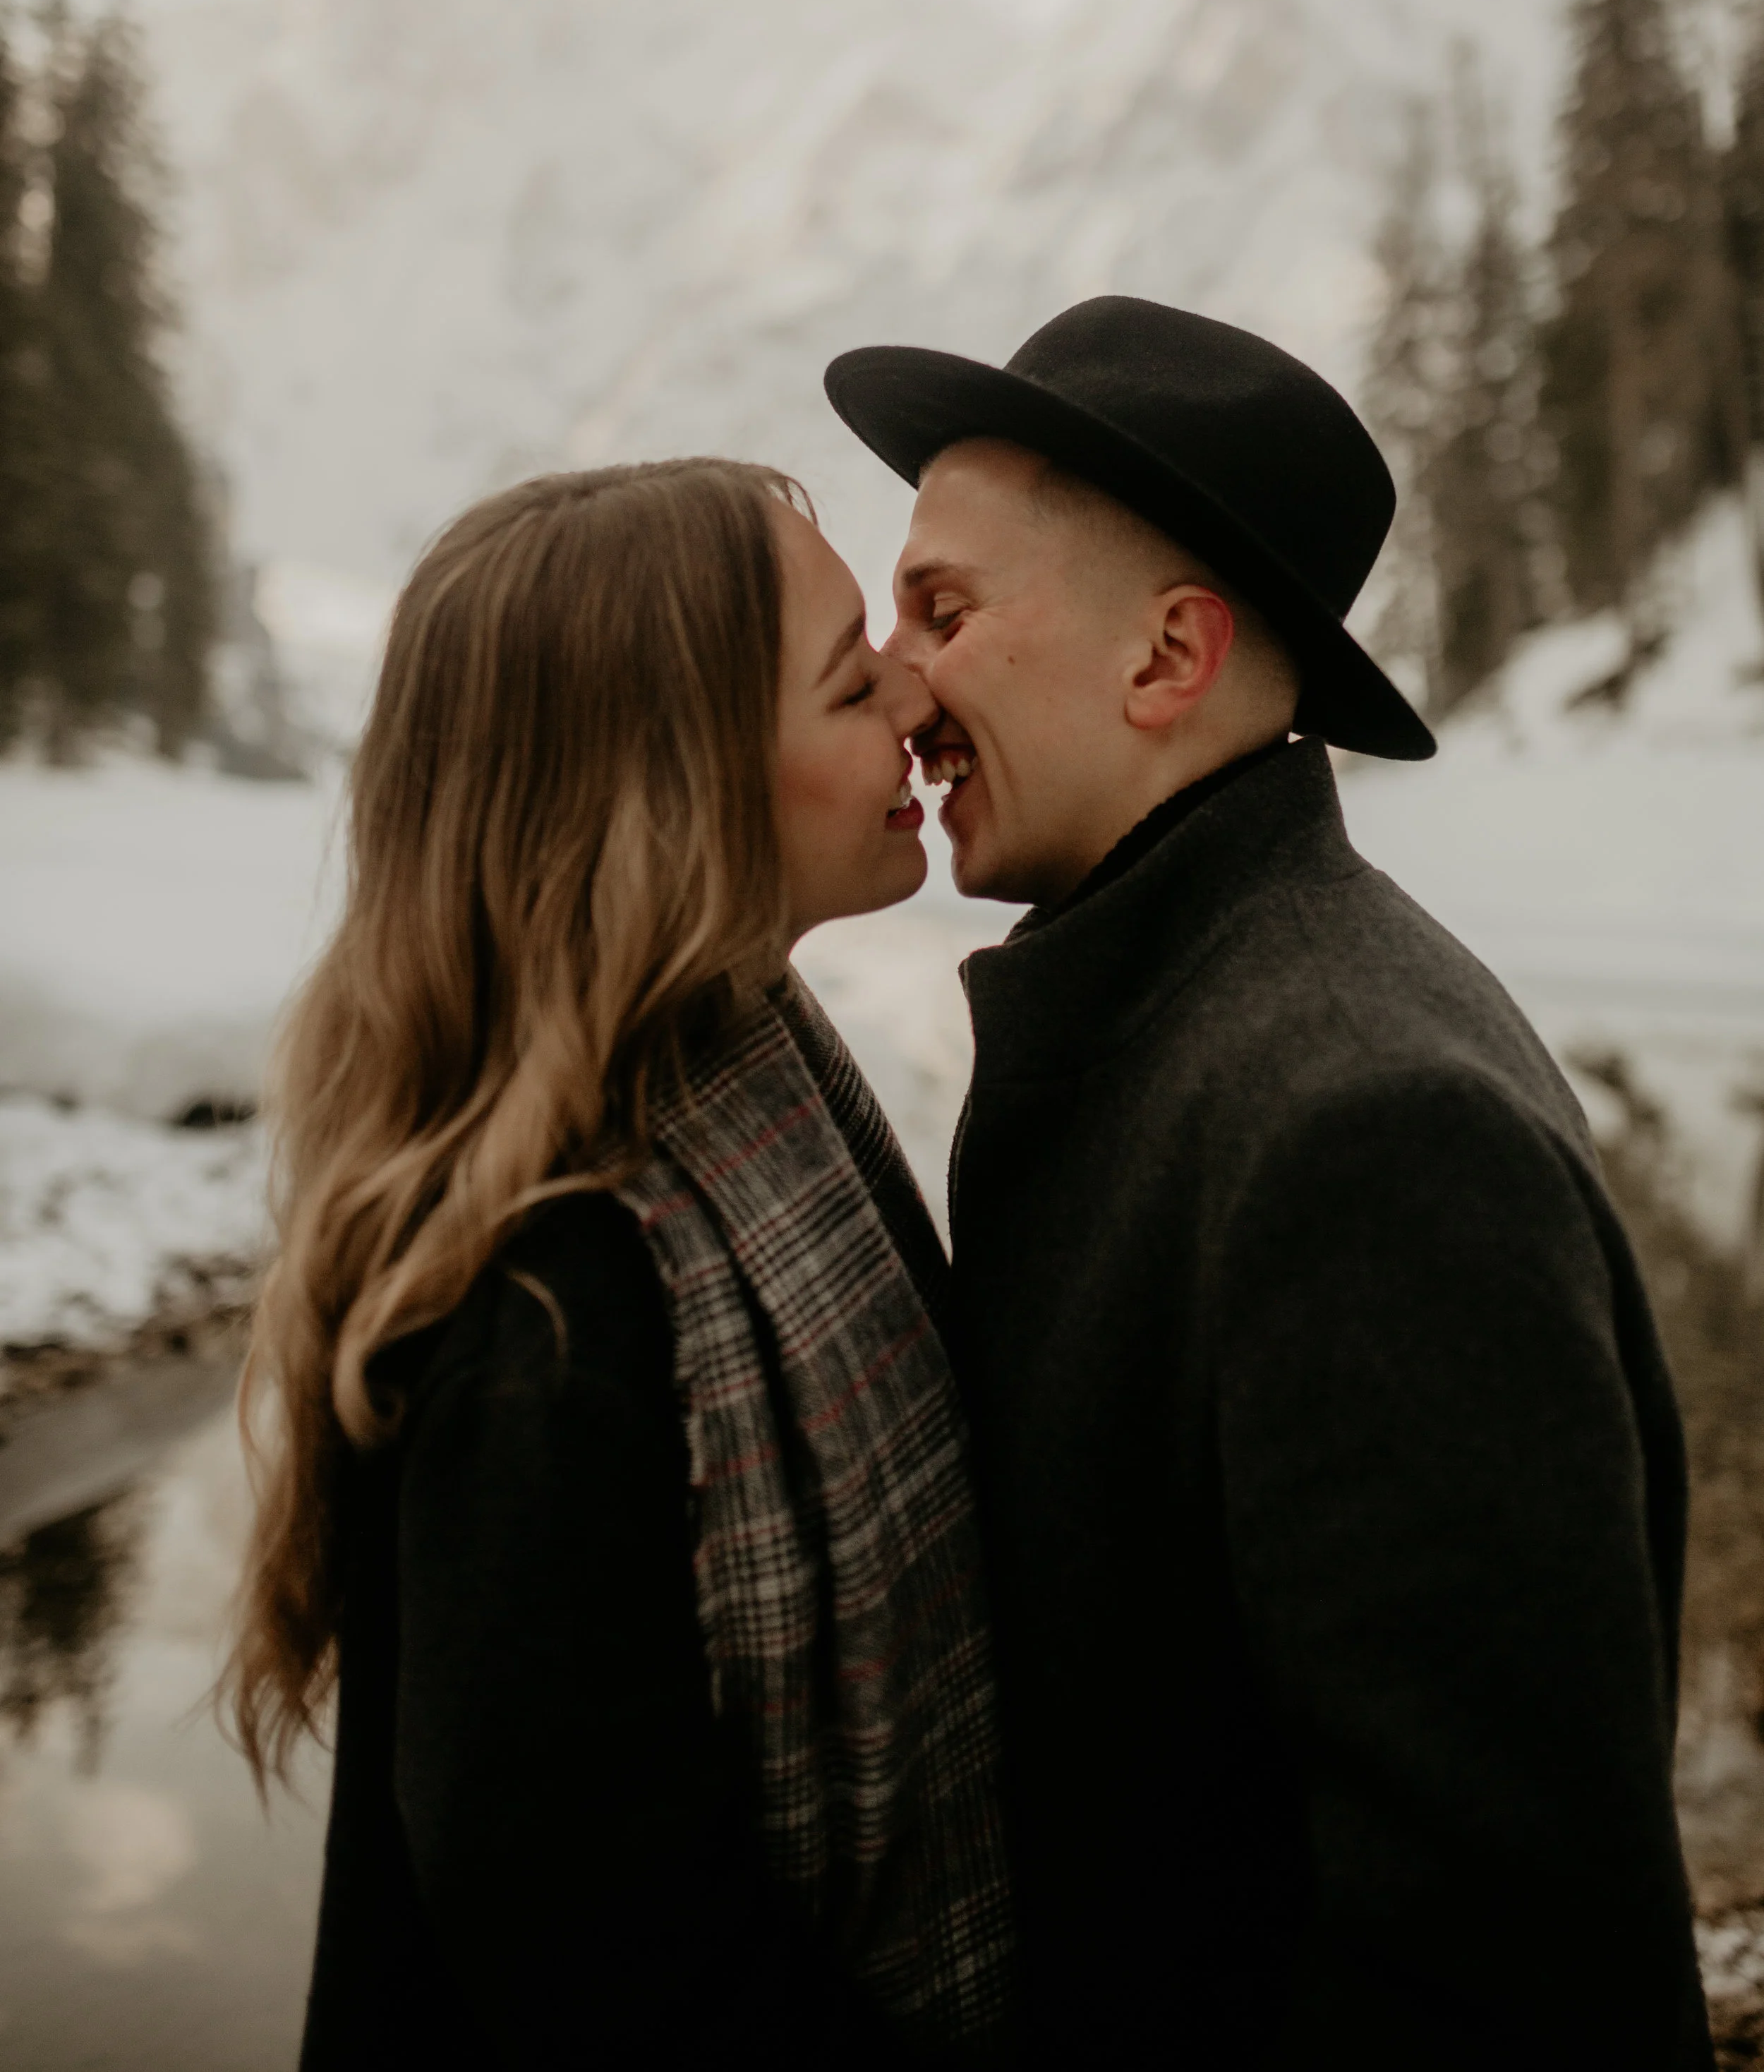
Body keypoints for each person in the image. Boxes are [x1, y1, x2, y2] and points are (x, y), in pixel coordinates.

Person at [825, 295, 1712, 2071]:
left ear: (1164, 661)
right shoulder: (1174, 1008)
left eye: (944, 609)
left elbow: (1507, 1969)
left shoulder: (1367, 1135)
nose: (900, 683)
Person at [223, 459, 1016, 2071]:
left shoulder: (756, 1088)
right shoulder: (541, 1319)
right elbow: (614, 1982)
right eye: (850, 680)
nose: (914, 695)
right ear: (683, 783)